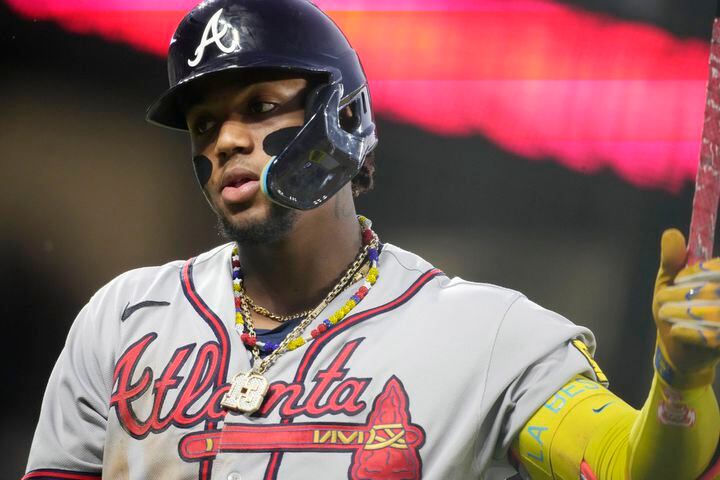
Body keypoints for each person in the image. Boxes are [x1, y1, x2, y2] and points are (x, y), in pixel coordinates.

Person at [24, 0, 720, 478]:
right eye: (205, 124)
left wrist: (679, 382)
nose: (227, 138)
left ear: (343, 119)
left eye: (260, 107)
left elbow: (632, 465)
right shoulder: (122, 322)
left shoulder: (486, 336)